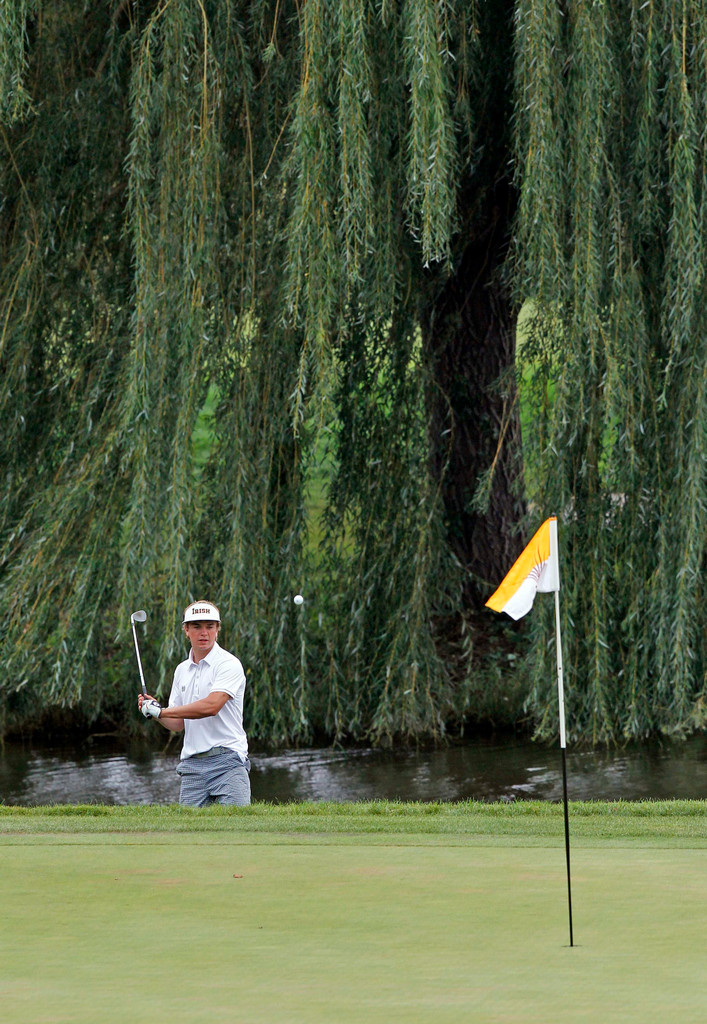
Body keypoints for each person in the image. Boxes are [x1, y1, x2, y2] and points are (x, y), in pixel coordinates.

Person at [138, 601, 251, 806]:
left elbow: (211, 706)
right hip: (192, 766)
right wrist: (155, 712)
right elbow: (178, 724)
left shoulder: (228, 664)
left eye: (209, 626)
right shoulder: (181, 670)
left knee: (236, 830)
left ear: (218, 629)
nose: (204, 632)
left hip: (227, 761)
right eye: (197, 626)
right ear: (186, 630)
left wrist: (163, 712)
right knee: (189, 836)